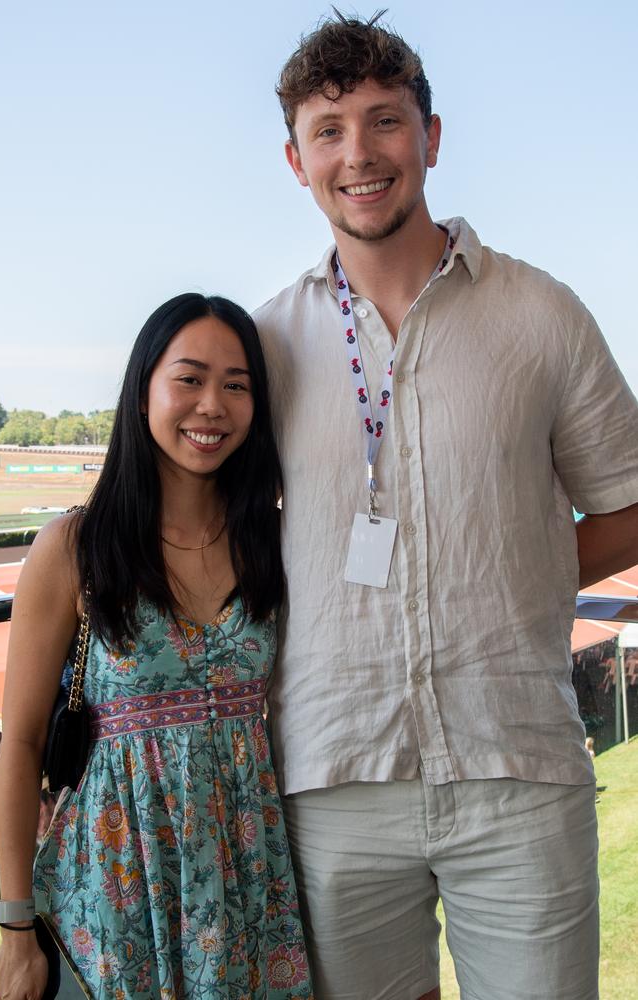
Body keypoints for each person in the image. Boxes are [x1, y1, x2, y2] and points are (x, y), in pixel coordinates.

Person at [253, 12, 638, 1000]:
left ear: (430, 137)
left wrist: (519, 573)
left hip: (512, 761)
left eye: (383, 121)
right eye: (327, 131)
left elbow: (628, 501)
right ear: (295, 161)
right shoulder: (263, 343)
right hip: (332, 774)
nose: (358, 154)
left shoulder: (538, 314)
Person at [0, 293, 313, 1000]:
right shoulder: (75, 547)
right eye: (189, 379)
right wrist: (15, 931)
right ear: (143, 395)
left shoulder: (273, 543)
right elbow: (21, 744)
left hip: (248, 883)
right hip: (112, 889)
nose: (212, 406)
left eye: (237, 385)